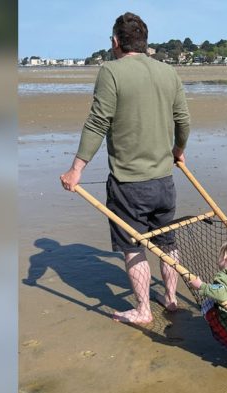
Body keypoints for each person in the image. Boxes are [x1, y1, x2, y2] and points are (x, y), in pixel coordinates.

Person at [59, 12, 190, 324]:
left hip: (129, 183)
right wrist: (178, 151)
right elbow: (183, 119)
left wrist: (76, 169)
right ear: (143, 42)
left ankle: (144, 310)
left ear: (115, 42)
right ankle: (170, 299)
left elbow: (97, 123)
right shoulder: (167, 72)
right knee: (166, 241)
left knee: (133, 248)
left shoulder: (111, 72)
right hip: (163, 181)